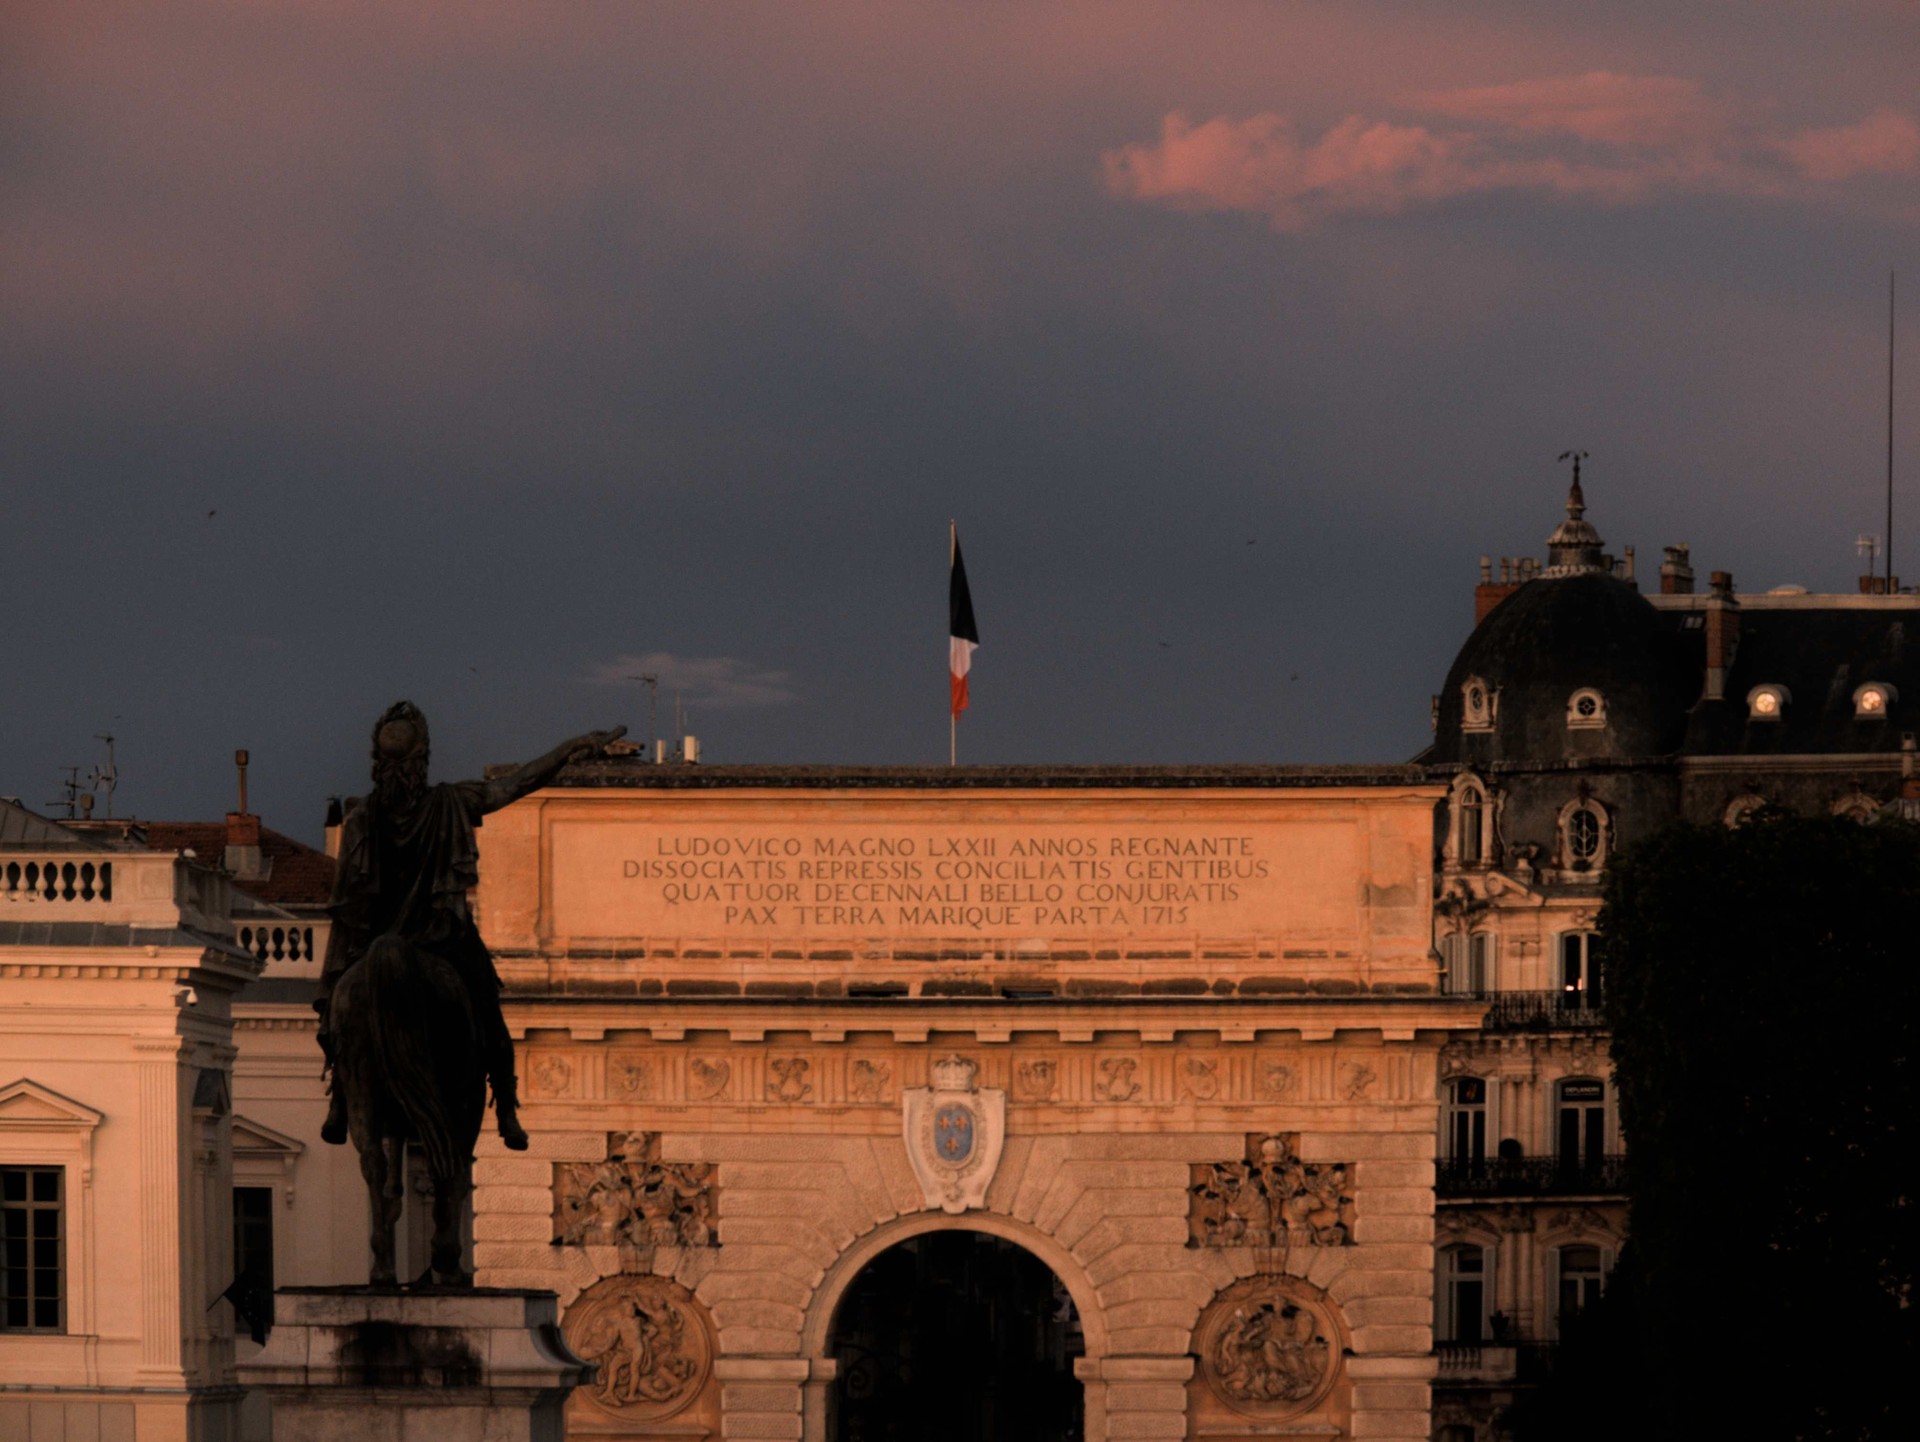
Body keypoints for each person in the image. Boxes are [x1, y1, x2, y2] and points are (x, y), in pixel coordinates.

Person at [316, 701, 624, 1150]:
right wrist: (569, 749)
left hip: (373, 941)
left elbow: (347, 899)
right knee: (485, 1008)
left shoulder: (361, 816)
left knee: (342, 1008)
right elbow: (516, 785)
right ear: (422, 759)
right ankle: (507, 1108)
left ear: (378, 763)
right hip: (439, 939)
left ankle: (340, 1100)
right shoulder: (450, 802)